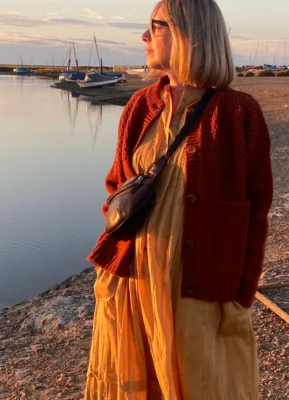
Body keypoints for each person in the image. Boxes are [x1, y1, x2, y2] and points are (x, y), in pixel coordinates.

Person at [85, 0, 273, 398]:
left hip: (198, 294)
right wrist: (116, 260)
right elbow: (117, 185)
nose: (144, 37)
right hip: (134, 282)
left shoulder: (239, 113)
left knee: (204, 385)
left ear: (190, 33)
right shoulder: (140, 106)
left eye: (154, 27)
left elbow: (255, 214)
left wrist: (241, 291)